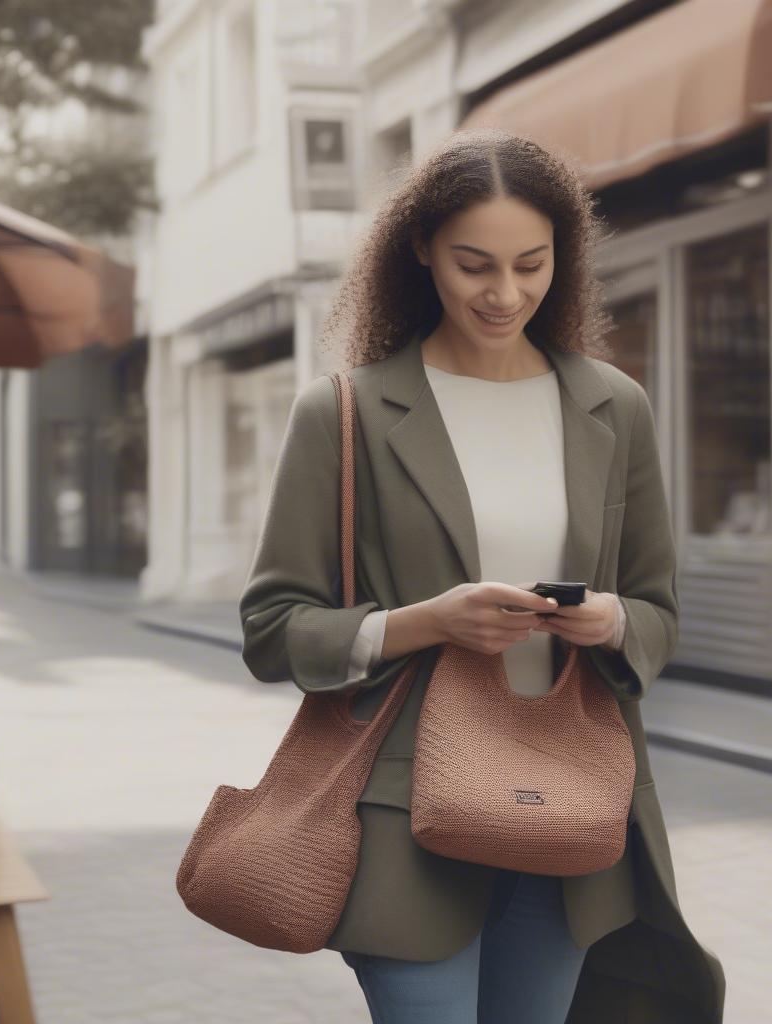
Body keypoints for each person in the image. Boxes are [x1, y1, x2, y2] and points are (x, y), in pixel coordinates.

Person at [239, 128, 726, 1024]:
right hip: (403, 819)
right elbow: (274, 628)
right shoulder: (342, 412)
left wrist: (612, 621)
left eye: (530, 265)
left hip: (572, 809)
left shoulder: (615, 407)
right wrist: (426, 622)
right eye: (475, 266)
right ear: (421, 250)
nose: (506, 295)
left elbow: (659, 610)